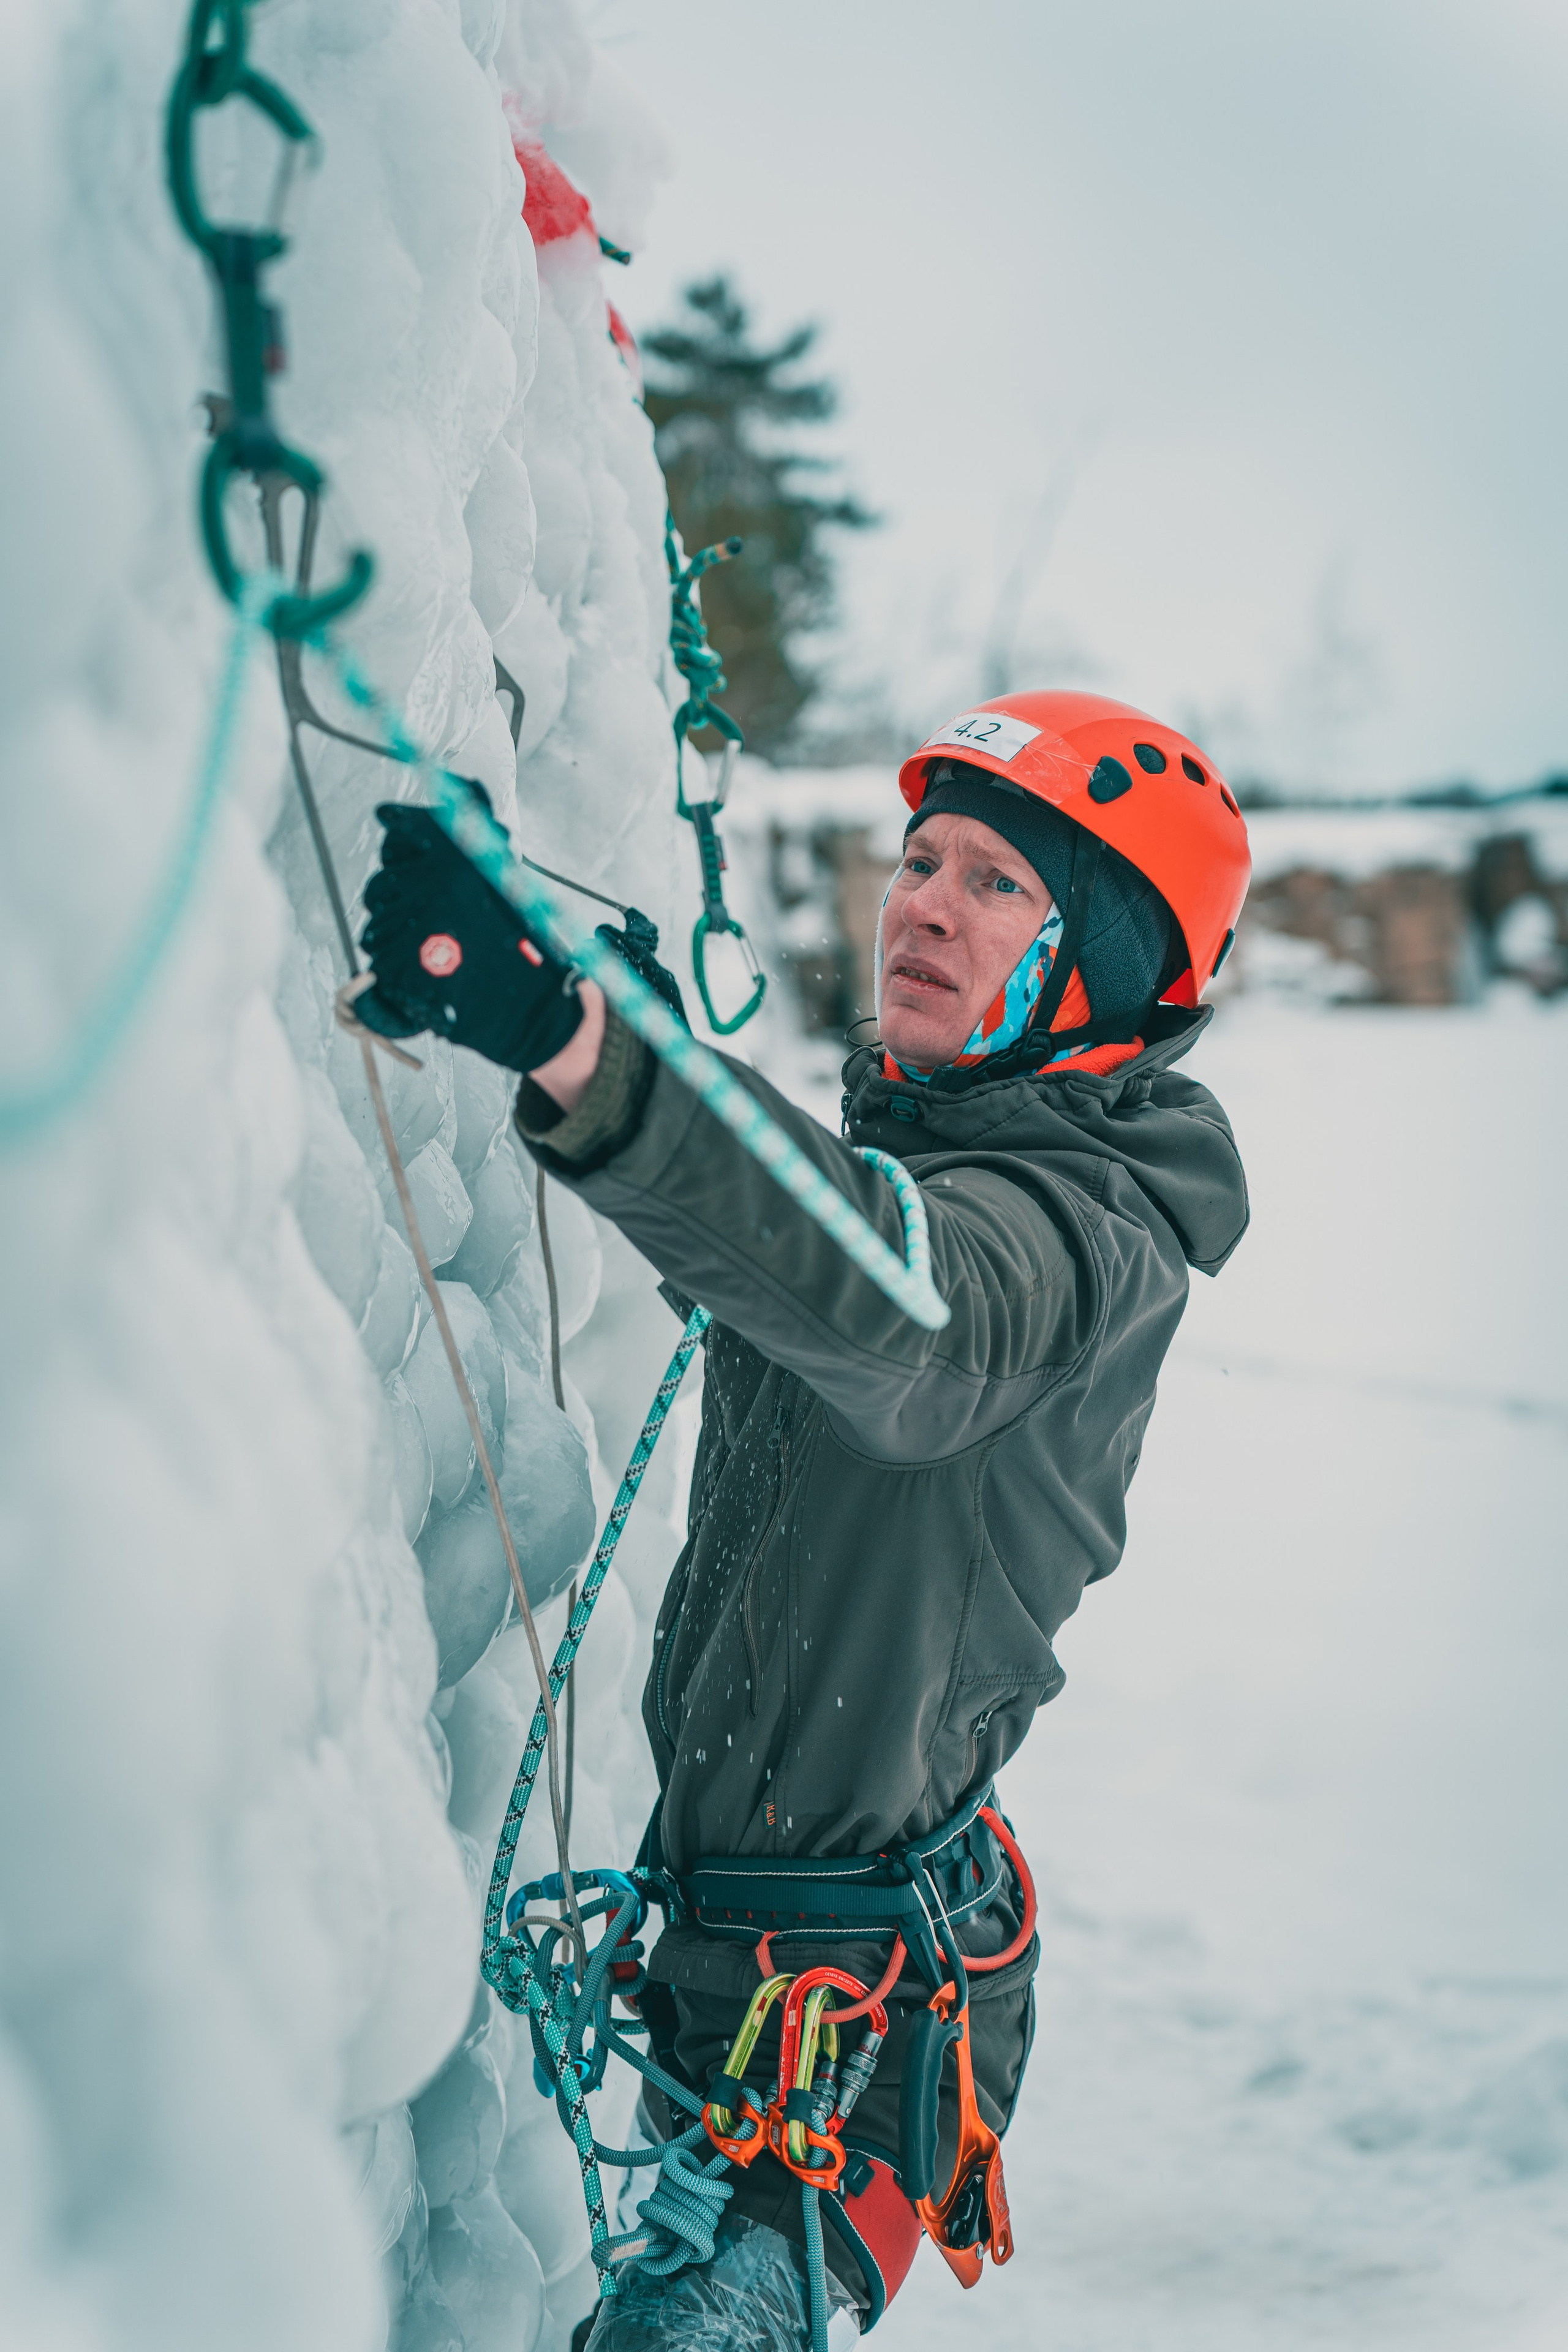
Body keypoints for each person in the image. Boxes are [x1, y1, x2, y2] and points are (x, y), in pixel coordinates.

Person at [358, 691, 1252, 2345]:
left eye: (999, 883)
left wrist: (579, 1037)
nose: (920, 902)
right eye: (919, 858)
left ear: (1114, 972)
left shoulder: (1081, 1236)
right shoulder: (950, 1175)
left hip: (842, 2051)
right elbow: (838, 1229)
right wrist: (615, 1014)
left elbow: (899, 1305)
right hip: (779, 1994)